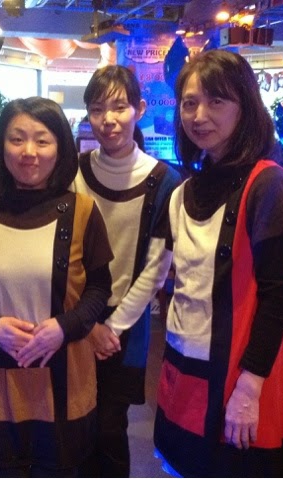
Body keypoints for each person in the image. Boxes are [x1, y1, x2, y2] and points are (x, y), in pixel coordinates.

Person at [152, 49, 283, 477]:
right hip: (182, 371)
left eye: (216, 101)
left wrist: (249, 389)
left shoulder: (267, 183)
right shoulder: (184, 190)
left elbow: (279, 298)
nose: (199, 115)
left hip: (239, 378)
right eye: (190, 102)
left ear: (244, 106)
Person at [0, 97, 114, 478]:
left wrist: (64, 327)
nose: (29, 152)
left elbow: (99, 289)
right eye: (17, 139)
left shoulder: (83, 212)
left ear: (60, 148)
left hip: (64, 377)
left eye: (42, 140)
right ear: (1, 146)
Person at [72, 65, 181, 478]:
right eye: (97, 109)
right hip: (75, 317)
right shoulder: (74, 172)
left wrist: (112, 328)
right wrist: (87, 324)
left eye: (119, 107)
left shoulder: (164, 181)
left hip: (127, 326)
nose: (108, 119)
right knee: (73, 422)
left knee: (110, 426)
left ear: (140, 109)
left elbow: (156, 268)